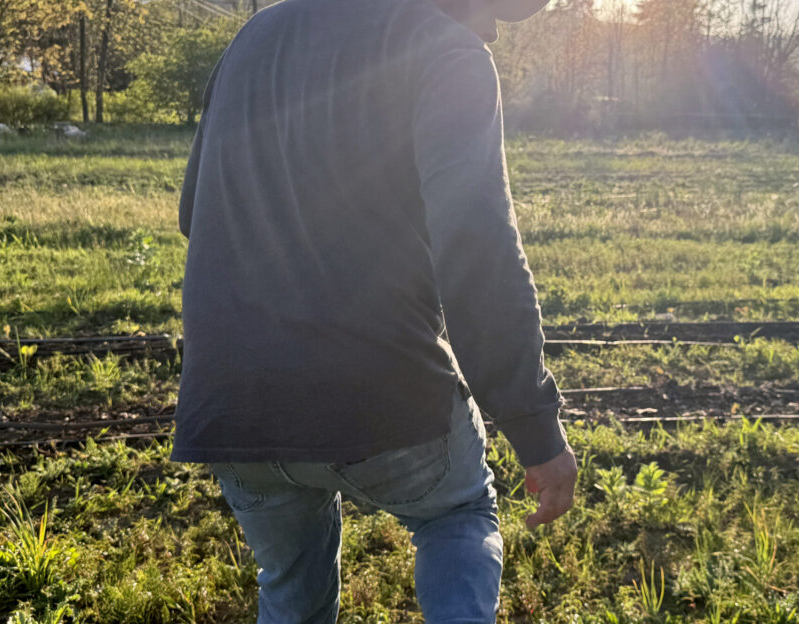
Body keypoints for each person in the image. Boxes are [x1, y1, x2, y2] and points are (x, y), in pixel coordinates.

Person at [170, 0, 578, 621]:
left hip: (231, 404)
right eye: (491, 7)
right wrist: (534, 428)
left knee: (289, 587)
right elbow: (478, 250)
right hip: (385, 395)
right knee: (456, 514)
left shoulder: (255, 36)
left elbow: (191, 213)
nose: (493, 28)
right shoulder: (448, 52)